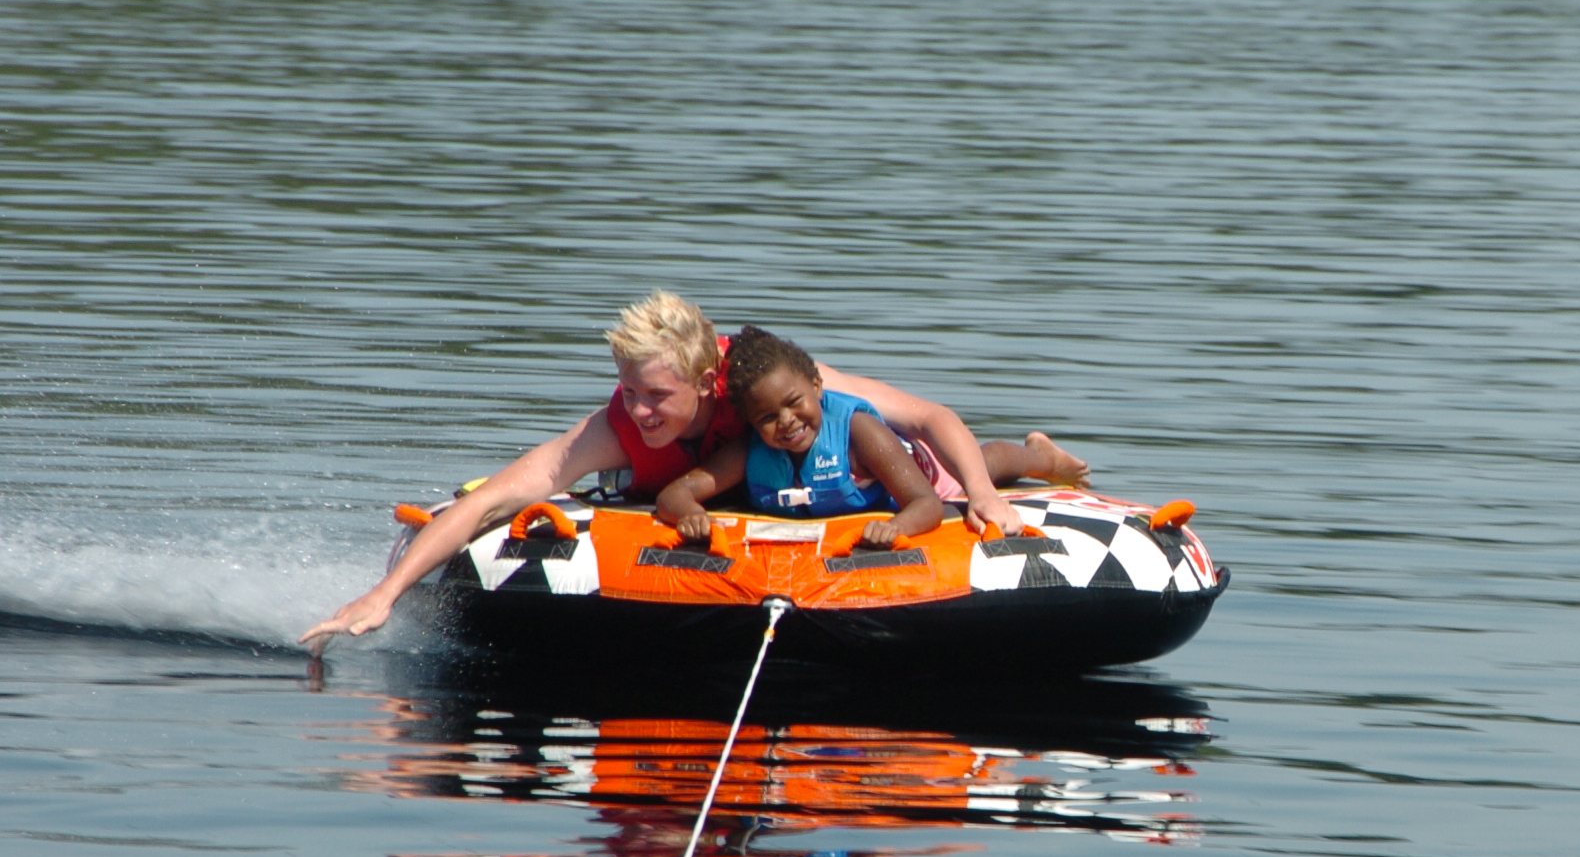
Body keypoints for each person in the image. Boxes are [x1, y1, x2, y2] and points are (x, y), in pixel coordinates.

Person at [299, 293, 1086, 648]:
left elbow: (930, 417)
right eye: (628, 390)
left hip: (873, 481)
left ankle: (1039, 453)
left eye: (656, 396)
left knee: (970, 463)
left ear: (709, 383)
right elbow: (495, 499)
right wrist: (383, 595)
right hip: (758, 511)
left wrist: (986, 498)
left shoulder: (769, 390)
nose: (638, 411)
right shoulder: (616, 428)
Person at [655, 326, 1088, 549]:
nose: (786, 421)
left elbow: (926, 504)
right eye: (767, 417)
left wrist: (894, 527)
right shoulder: (751, 450)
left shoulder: (858, 432)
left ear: (816, 387)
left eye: (794, 403)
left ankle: (1043, 457)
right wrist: (691, 514)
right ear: (751, 422)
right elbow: (675, 494)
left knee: (985, 462)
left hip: (923, 470)